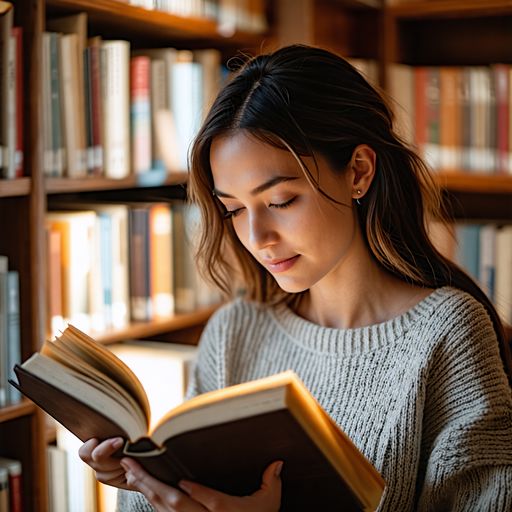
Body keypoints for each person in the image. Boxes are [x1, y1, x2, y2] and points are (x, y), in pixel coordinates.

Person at [79, 45, 512, 512]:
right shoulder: (235, 332)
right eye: (234, 210)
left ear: (358, 172)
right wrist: (140, 483)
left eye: (281, 201)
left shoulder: (446, 333)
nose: (257, 236)